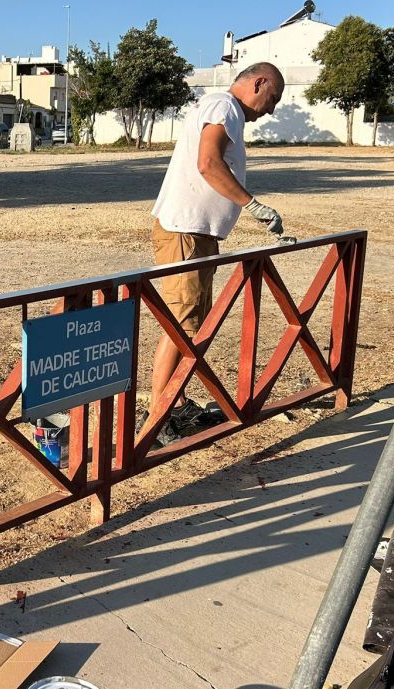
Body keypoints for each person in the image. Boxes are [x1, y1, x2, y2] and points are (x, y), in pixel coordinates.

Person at [144, 62, 287, 447]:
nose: (270, 110)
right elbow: (208, 163)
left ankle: (176, 402)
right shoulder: (224, 106)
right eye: (272, 99)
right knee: (181, 326)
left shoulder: (225, 110)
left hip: (198, 233)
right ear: (259, 83)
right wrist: (251, 204)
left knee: (191, 325)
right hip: (184, 232)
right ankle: (158, 416)